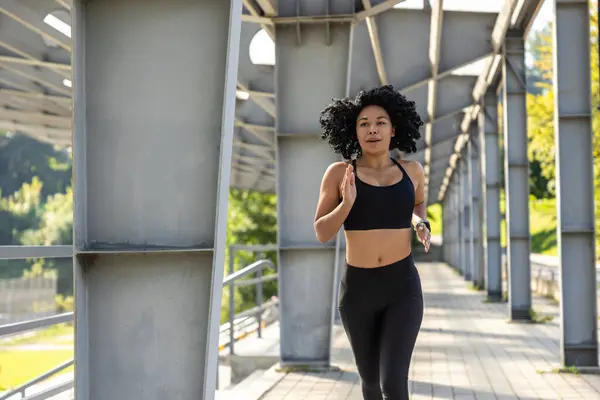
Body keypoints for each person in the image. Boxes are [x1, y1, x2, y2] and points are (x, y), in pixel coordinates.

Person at [313, 85, 431, 400]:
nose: (372, 129)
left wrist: (420, 222)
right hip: (358, 292)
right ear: (353, 131)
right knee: (370, 384)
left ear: (394, 129)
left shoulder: (412, 171)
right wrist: (346, 204)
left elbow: (417, 205)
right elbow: (322, 232)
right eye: (363, 124)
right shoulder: (339, 173)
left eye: (380, 122)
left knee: (392, 383)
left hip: (402, 287)